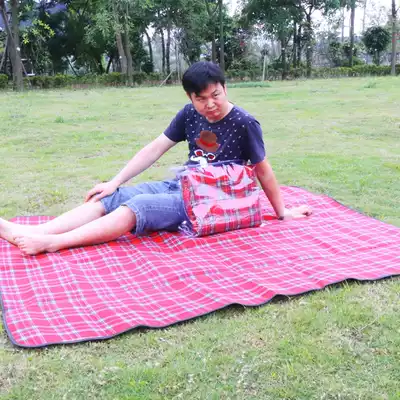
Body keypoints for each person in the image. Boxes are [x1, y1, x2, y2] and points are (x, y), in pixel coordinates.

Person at [0, 62, 312, 255]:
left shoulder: (245, 122)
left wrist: (282, 212)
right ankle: (37, 232)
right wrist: (114, 182)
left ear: (225, 89)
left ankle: (53, 243)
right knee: (111, 197)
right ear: (190, 98)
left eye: (215, 95)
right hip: (183, 184)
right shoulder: (189, 114)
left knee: (139, 207)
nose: (210, 104)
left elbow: (263, 170)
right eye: (201, 98)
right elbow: (156, 147)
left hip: (211, 201)